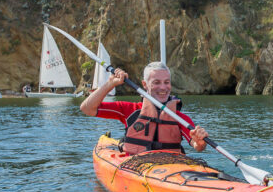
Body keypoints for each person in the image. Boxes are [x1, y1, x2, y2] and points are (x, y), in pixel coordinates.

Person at [80, 61, 208, 155]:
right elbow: (87, 108)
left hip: (171, 168)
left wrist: (200, 142)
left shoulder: (179, 117)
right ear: (145, 84)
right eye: (156, 82)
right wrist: (110, 84)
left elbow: (197, 146)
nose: (163, 87)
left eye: (166, 82)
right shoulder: (129, 110)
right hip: (136, 168)